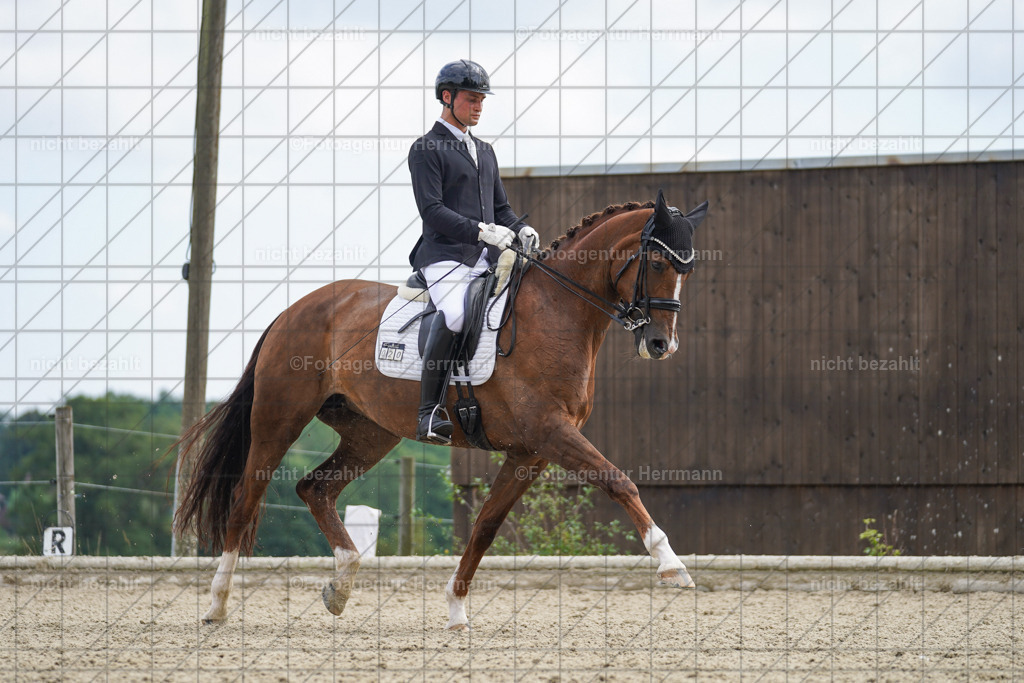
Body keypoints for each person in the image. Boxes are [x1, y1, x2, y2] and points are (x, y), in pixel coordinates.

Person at [407, 59, 538, 445]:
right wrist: (481, 231)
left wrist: (519, 228)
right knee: (456, 312)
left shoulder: (485, 150)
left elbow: (500, 210)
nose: (479, 106)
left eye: (482, 100)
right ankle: (429, 412)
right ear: (447, 97)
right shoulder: (426, 148)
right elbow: (431, 210)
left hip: (484, 259)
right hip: (444, 256)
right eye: (471, 98)